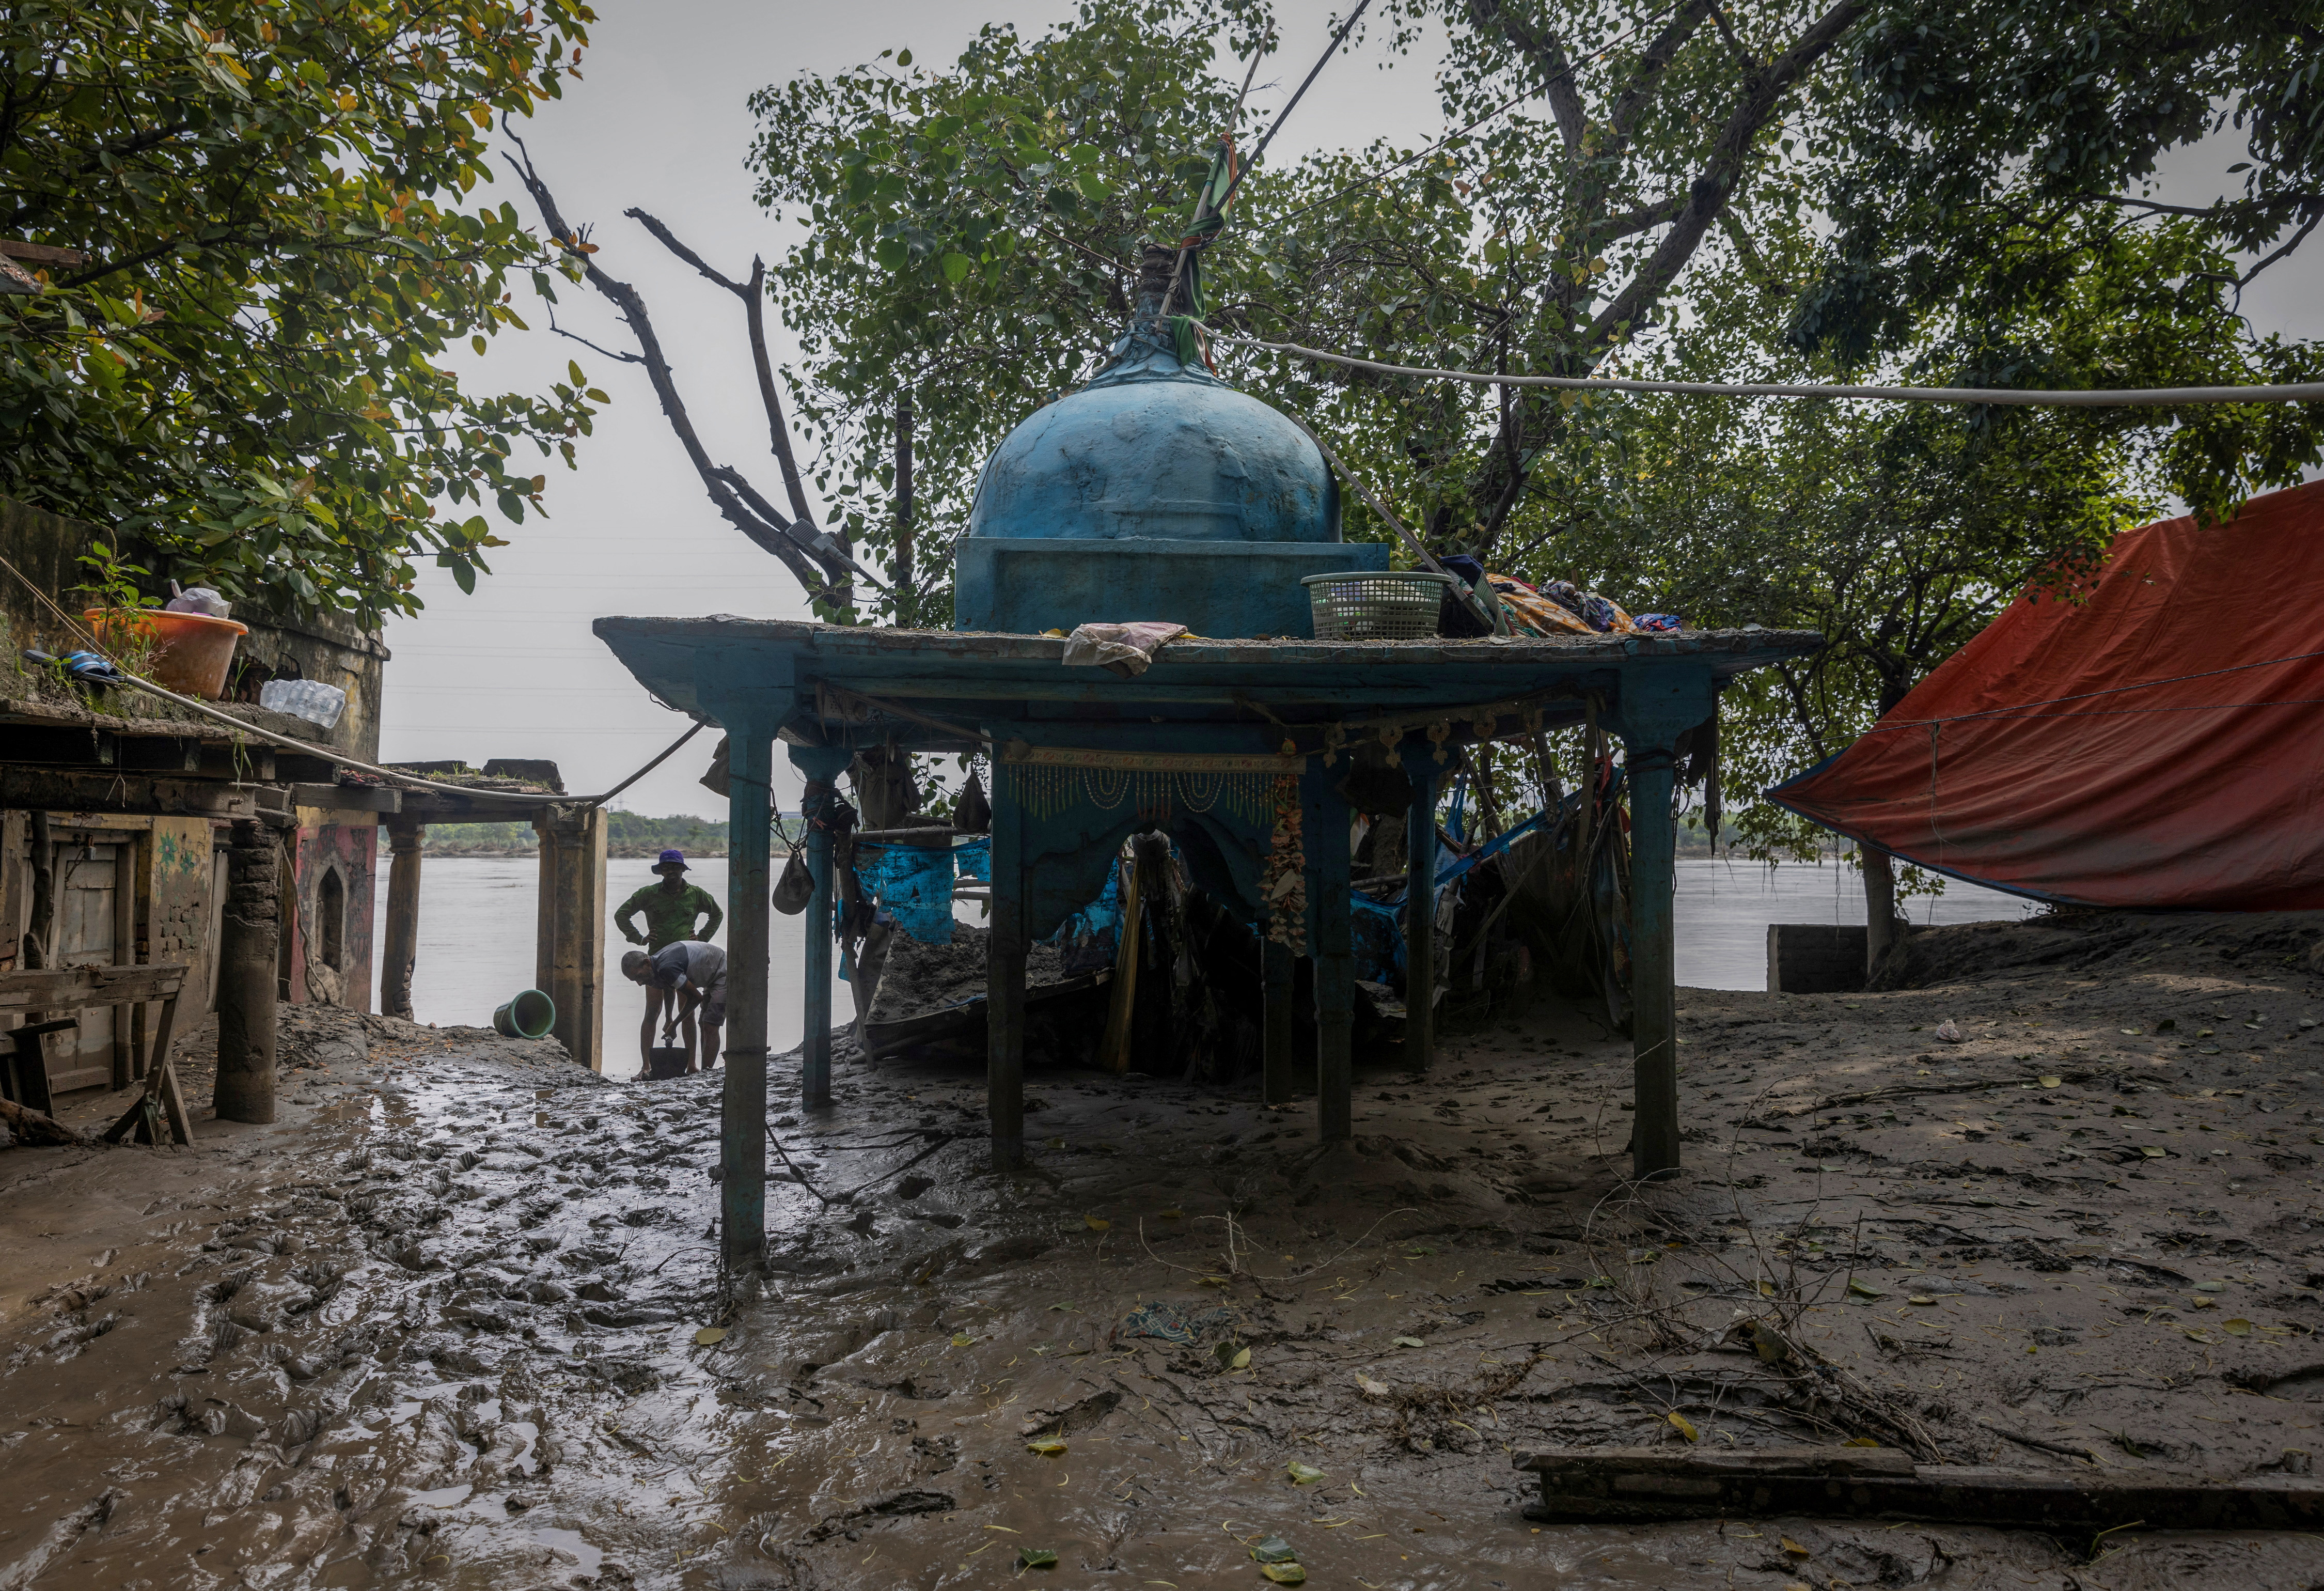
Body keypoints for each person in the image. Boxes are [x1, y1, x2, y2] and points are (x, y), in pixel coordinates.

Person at [615, 849, 722, 1079]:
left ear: (683, 869)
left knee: (689, 1013)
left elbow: (717, 914)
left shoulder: (696, 895)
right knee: (652, 1012)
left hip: (686, 965)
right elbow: (621, 914)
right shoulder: (649, 894)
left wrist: (702, 938)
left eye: (675, 867)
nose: (671, 871)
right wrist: (639, 938)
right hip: (654, 963)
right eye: (666, 868)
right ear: (661, 871)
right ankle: (646, 1066)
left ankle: (692, 1064)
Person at [620, 940, 726, 1077]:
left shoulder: (667, 967)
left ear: (647, 963)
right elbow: (669, 987)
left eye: (639, 976)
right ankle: (705, 1072)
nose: (640, 983)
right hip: (710, 975)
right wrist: (669, 1018)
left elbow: (696, 998)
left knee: (711, 1025)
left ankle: (705, 1074)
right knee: (704, 1023)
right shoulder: (656, 966)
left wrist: (675, 1024)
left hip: (722, 971)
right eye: (635, 980)